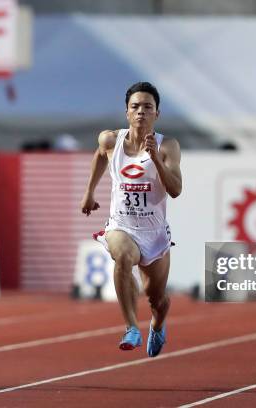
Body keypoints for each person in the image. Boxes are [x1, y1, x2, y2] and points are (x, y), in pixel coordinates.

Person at [80, 82, 182, 357]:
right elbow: (100, 156)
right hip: (121, 226)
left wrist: (156, 160)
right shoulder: (110, 140)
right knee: (123, 257)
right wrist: (89, 192)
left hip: (155, 232)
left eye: (147, 107)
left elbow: (175, 190)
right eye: (135, 107)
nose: (141, 112)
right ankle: (131, 328)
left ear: (157, 114)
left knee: (157, 300)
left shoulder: (167, 146)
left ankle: (158, 324)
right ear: (126, 113)